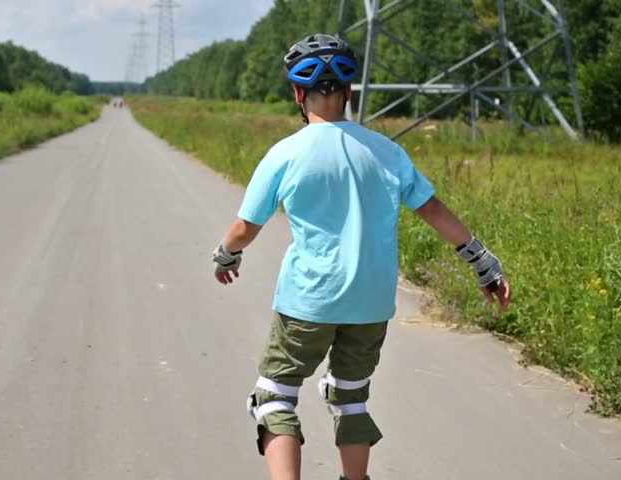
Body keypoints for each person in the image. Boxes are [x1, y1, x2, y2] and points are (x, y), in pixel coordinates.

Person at [211, 34, 511, 480]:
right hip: (371, 302)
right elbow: (433, 209)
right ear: (349, 93)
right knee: (350, 395)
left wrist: (226, 256)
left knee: (274, 396)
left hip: (308, 302)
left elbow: (244, 229)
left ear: (298, 93)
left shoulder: (286, 154)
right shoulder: (387, 152)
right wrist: (482, 262)